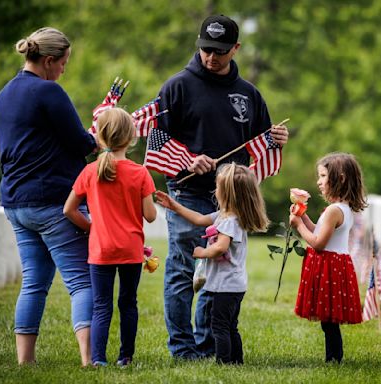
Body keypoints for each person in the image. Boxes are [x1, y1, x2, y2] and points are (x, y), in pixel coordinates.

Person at [154, 14, 289, 360]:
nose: (211, 57)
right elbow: (156, 145)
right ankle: (183, 349)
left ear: (236, 49)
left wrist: (278, 140)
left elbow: (262, 141)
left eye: (220, 51)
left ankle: (208, 343)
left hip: (230, 201)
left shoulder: (248, 94)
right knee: (183, 270)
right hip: (187, 192)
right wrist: (187, 161)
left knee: (219, 272)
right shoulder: (176, 87)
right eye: (206, 50)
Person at [0, 27, 97, 366]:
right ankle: (88, 359)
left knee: (34, 282)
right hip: (52, 201)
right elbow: (80, 143)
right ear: (49, 61)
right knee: (81, 281)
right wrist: (96, 138)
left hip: (16, 202)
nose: (64, 70)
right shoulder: (48, 92)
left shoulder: (5, 94)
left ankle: (26, 361)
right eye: (64, 63)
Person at [64, 108, 157, 367]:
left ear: (101, 138)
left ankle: (97, 359)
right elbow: (150, 216)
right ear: (131, 138)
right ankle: (125, 357)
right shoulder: (140, 173)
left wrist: (90, 226)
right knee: (128, 303)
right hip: (130, 249)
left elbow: (68, 209)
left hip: (100, 250)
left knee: (101, 305)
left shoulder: (89, 172)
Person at [156, 163, 268, 364]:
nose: (214, 191)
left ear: (227, 193)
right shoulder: (226, 216)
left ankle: (224, 361)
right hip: (232, 285)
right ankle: (236, 360)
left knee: (219, 326)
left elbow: (220, 247)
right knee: (230, 326)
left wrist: (201, 252)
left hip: (226, 286)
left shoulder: (229, 221)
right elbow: (199, 219)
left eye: (217, 187)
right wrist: (174, 206)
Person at [290, 152, 367, 364]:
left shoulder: (334, 210)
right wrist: (303, 217)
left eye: (323, 176)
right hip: (335, 264)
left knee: (329, 320)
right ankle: (333, 356)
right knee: (328, 320)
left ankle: (334, 358)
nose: (319, 181)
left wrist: (298, 226)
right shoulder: (342, 208)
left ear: (340, 178)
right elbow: (318, 231)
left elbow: (318, 243)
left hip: (329, 265)